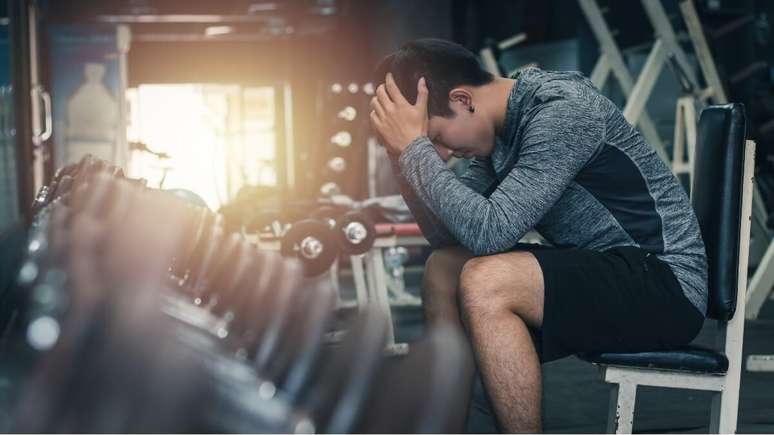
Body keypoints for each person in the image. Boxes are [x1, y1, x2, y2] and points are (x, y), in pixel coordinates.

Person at [369, 38, 706, 433]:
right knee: (444, 268)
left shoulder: (562, 112)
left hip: (665, 284)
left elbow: (489, 232)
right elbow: (449, 235)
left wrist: (413, 151)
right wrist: (401, 155)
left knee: (487, 281)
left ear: (463, 99)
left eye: (438, 139)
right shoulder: (498, 136)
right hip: (607, 272)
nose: (440, 155)